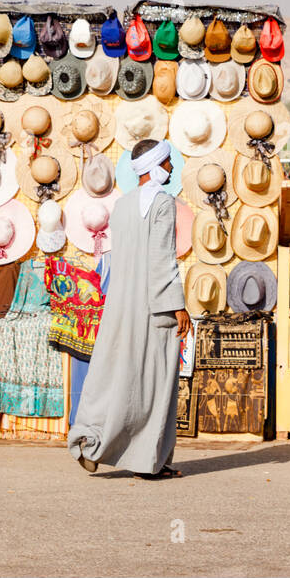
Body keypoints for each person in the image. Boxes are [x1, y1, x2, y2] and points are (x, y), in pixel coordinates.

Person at [68, 139, 191, 478]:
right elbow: (163, 259)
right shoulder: (163, 204)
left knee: (116, 377)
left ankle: (91, 441)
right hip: (154, 307)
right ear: (153, 166)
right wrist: (177, 306)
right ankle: (147, 461)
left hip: (121, 304)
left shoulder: (121, 206)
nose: (170, 169)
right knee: (154, 383)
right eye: (166, 163)